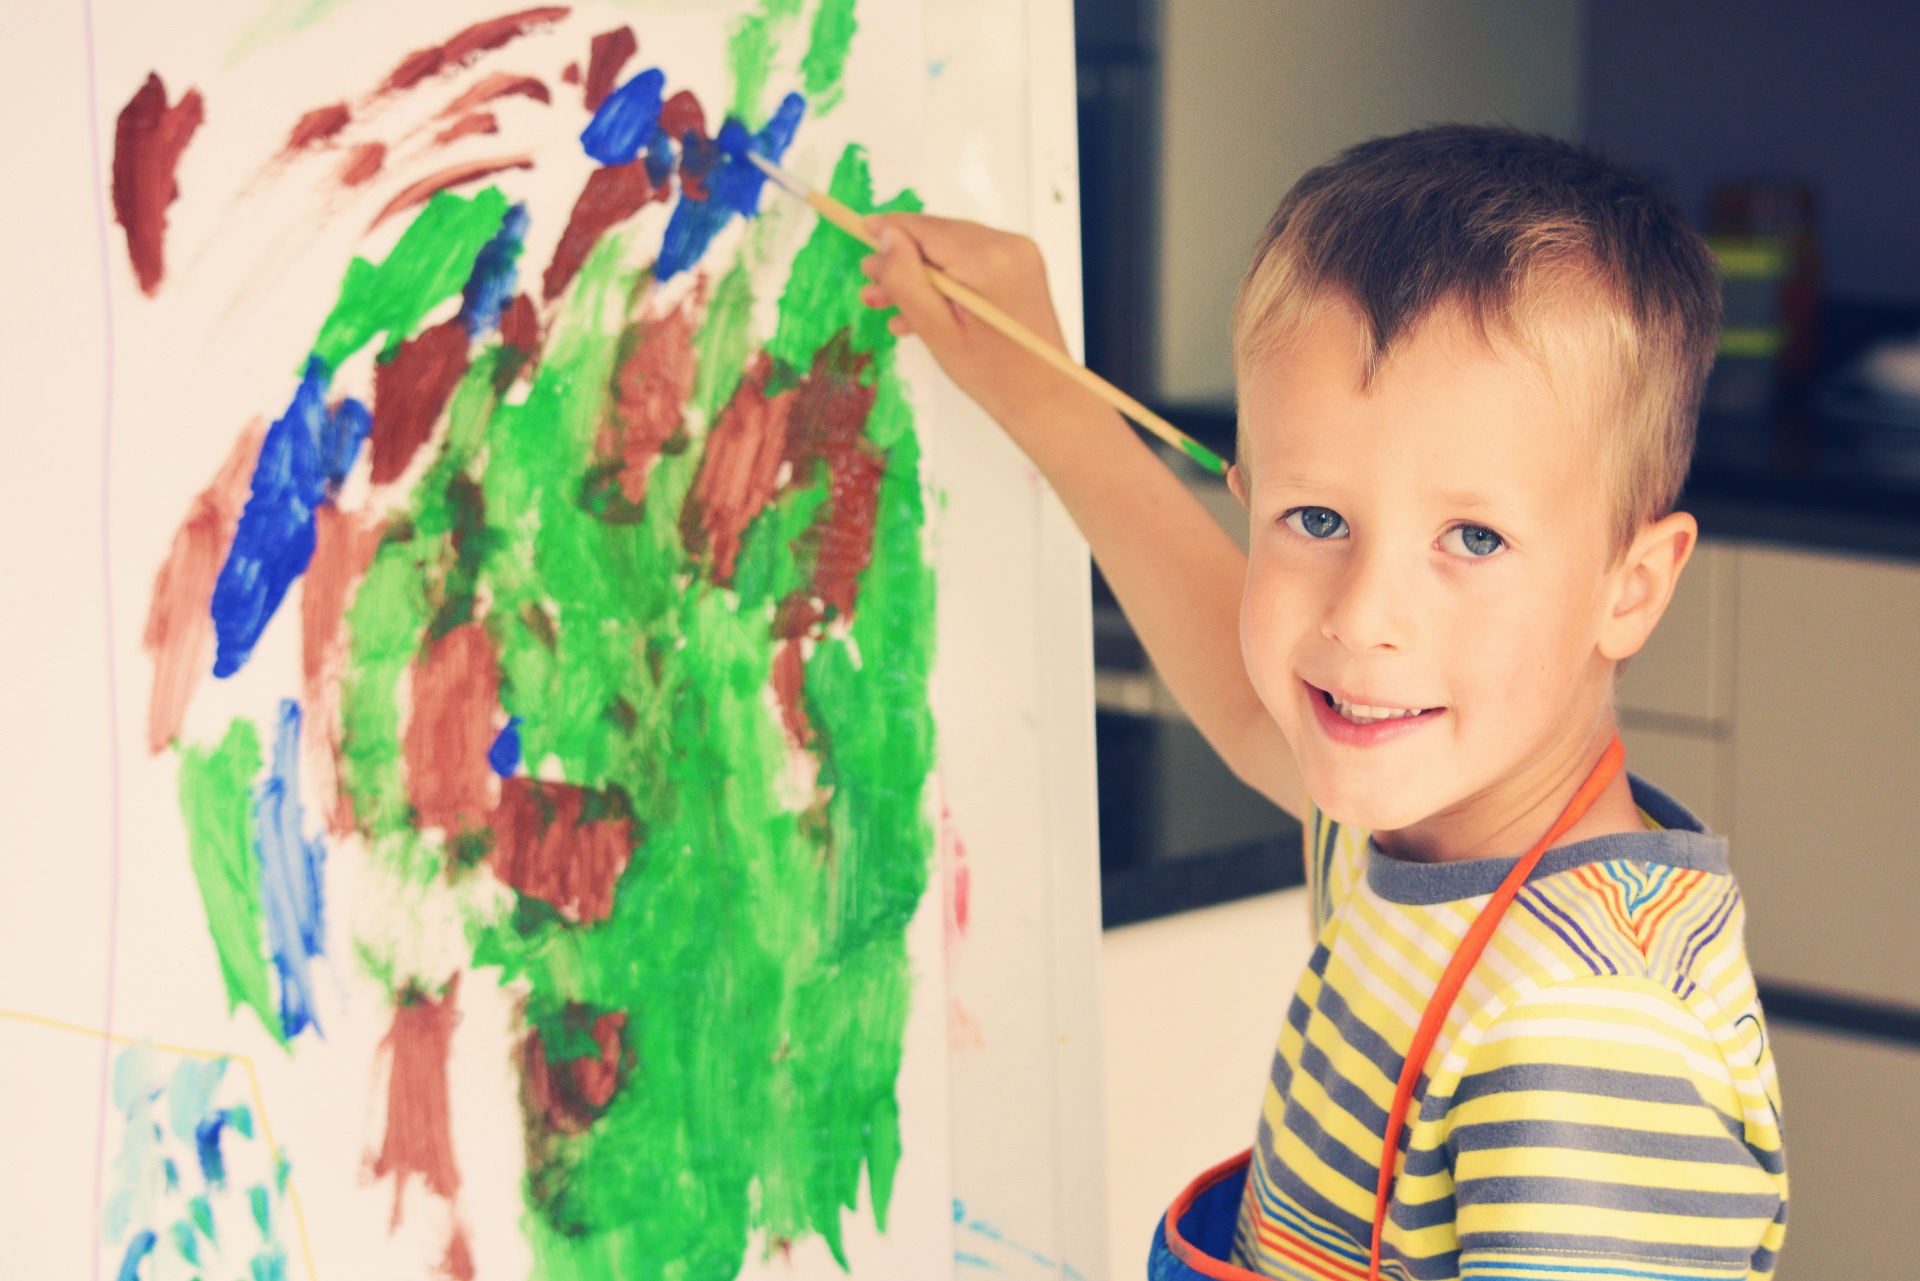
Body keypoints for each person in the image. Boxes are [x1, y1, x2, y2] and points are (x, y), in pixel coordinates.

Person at [858, 126, 1788, 1280]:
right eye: (1316, 520)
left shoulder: (1585, 1036)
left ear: (1630, 587)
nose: (1362, 618)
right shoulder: (1410, 819)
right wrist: (1046, 390)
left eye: (1473, 539)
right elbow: (1250, 700)